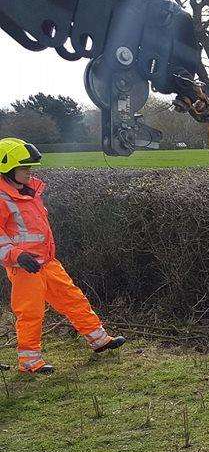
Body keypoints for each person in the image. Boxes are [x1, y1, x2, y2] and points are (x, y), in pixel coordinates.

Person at [0, 138, 125, 374]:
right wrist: (17, 256)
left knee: (73, 299)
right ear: (7, 169)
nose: (29, 172)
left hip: (47, 262)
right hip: (25, 268)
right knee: (31, 313)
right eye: (24, 168)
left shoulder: (29, 193)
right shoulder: (3, 198)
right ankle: (29, 362)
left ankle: (99, 340)